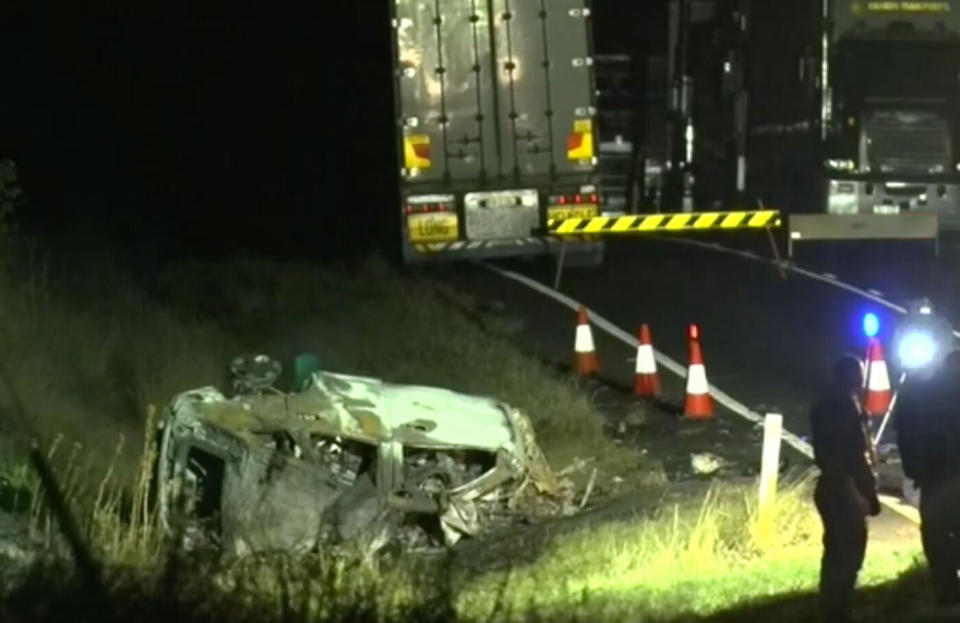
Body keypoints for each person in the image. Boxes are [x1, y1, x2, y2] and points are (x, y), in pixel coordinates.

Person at [809, 354, 881, 623]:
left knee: (834, 552)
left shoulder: (823, 405)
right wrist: (867, 495)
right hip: (845, 491)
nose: (862, 380)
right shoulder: (846, 408)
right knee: (849, 554)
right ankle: (838, 610)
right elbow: (853, 457)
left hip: (829, 488)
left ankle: (830, 606)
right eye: (859, 375)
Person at [896, 349, 960, 608]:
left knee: (937, 535)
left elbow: (906, 432)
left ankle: (946, 590)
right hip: (946, 474)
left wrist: (914, 469)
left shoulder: (922, 393)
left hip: (934, 477)